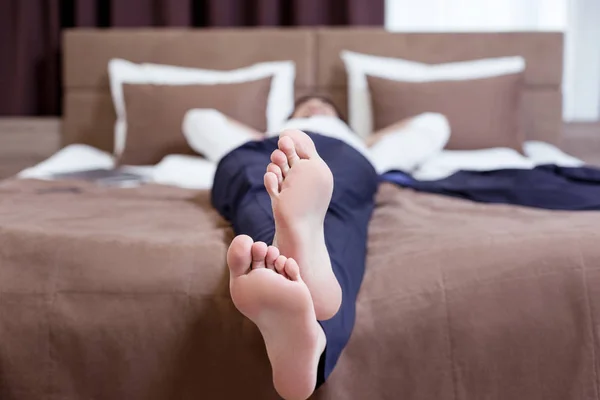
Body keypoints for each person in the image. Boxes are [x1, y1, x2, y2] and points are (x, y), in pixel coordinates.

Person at [208, 97, 449, 399]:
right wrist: (267, 132)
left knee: (265, 209)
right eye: (306, 105)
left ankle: (289, 257)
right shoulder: (271, 135)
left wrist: (366, 138)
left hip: (344, 154)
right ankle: (315, 335)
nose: (315, 107)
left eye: (325, 105)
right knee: (319, 218)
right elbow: (199, 121)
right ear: (290, 115)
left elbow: (435, 125)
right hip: (267, 152)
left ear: (342, 119)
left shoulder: (359, 142)